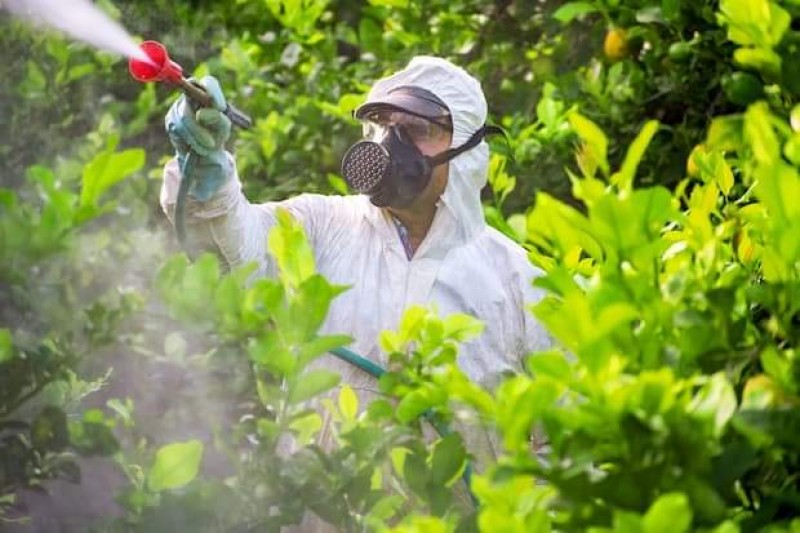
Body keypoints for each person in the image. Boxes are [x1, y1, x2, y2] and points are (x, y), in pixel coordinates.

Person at [160, 56, 552, 517]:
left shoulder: (518, 281)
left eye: (418, 130)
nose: (391, 144)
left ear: (467, 150)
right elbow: (234, 243)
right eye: (384, 125)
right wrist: (208, 169)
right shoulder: (322, 226)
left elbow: (562, 448)